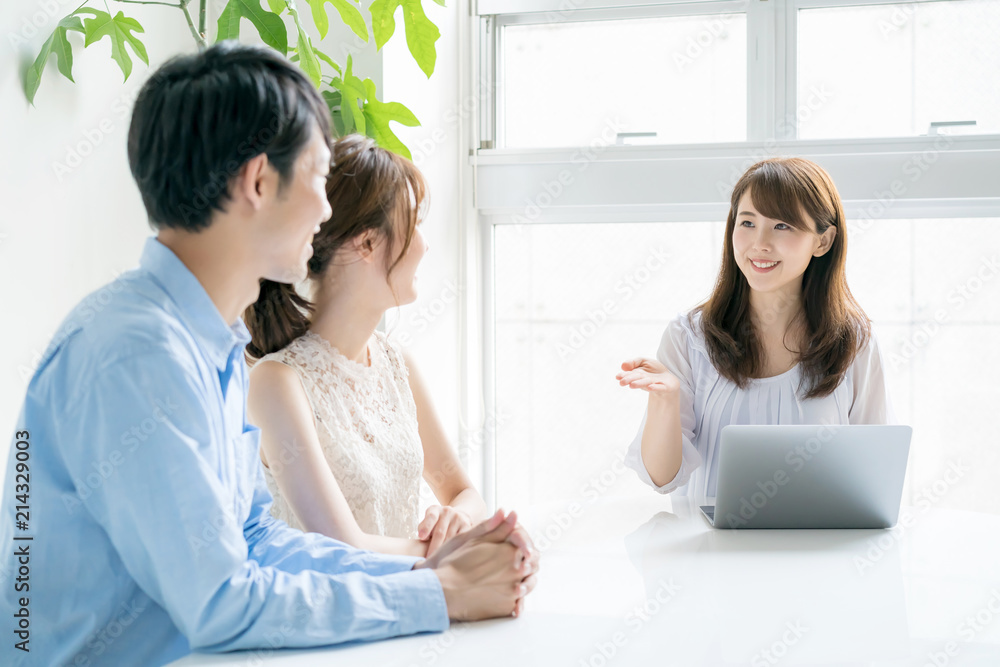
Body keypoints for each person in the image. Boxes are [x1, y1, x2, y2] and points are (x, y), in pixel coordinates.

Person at [0, 42, 537, 667]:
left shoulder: (213, 344)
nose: (327, 210)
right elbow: (221, 603)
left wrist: (429, 570)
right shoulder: (135, 355)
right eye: (317, 177)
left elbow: (255, 540)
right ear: (259, 182)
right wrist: (439, 595)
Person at [244, 134, 486, 559]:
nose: (425, 244)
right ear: (368, 243)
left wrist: (456, 520)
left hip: (411, 593)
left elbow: (463, 492)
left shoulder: (397, 364)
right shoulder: (277, 382)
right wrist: (449, 555)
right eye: (415, 224)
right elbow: (341, 547)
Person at [617, 157, 895, 498]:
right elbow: (662, 478)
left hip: (816, 534)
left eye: (782, 226)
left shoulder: (854, 341)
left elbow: (873, 474)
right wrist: (665, 400)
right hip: (705, 535)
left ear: (823, 241)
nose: (759, 243)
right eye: (747, 222)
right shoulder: (688, 337)